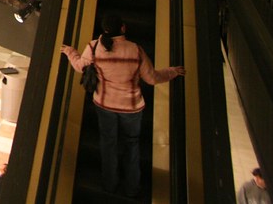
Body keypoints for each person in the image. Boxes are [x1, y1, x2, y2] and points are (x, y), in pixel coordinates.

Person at [61, 14, 185, 197]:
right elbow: (152, 78)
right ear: (123, 28)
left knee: (108, 144)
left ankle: (109, 184)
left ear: (104, 30)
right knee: (132, 145)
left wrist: (70, 52)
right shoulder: (135, 50)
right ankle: (132, 188)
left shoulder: (94, 47)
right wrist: (172, 72)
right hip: (131, 108)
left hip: (104, 105)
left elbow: (80, 66)